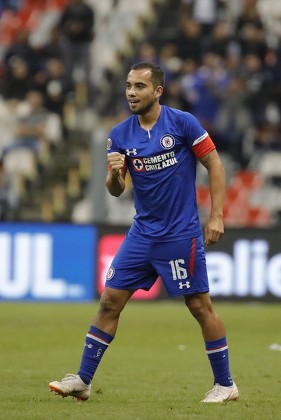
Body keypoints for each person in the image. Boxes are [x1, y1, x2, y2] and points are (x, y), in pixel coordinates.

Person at [48, 62, 239, 403]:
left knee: (200, 307)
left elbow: (215, 165)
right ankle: (83, 380)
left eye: (139, 86)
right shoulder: (119, 134)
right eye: (128, 86)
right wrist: (113, 174)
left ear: (158, 91)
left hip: (180, 233)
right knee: (109, 301)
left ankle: (226, 385)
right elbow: (115, 191)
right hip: (142, 233)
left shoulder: (183, 123)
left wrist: (216, 217)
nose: (131, 93)